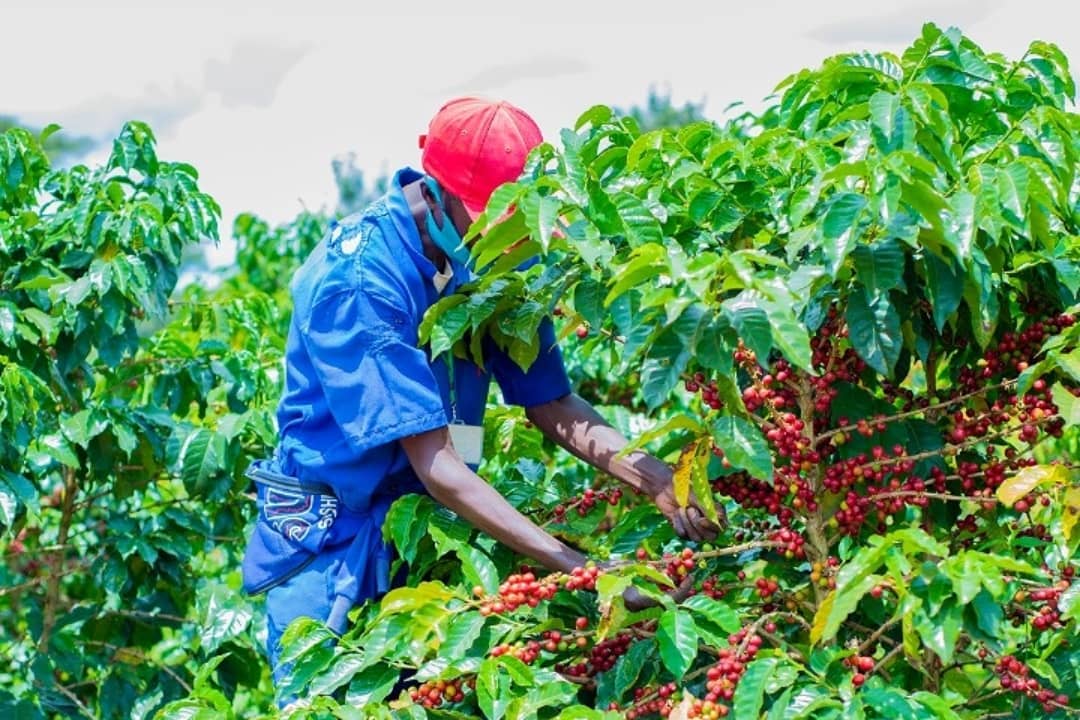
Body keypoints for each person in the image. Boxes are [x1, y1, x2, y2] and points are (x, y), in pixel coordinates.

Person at [241, 96, 720, 688]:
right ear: (436, 194)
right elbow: (437, 463)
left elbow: (550, 402)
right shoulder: (360, 280)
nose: (507, 243)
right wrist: (584, 570)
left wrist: (658, 480)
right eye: (493, 223)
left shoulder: (490, 265)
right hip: (335, 545)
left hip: (434, 532)